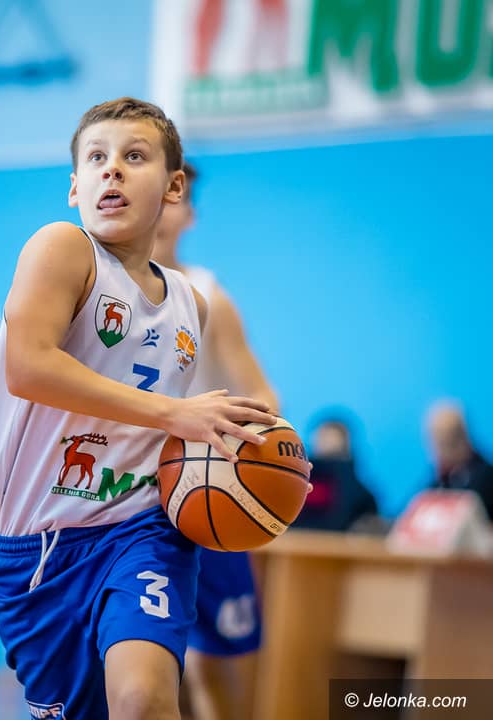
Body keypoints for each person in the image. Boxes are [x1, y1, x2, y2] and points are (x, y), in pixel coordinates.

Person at [0, 98, 276, 720]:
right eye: (97, 158)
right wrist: (173, 413)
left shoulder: (193, 302)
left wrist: (260, 455)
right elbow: (28, 368)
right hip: (38, 546)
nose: (111, 169)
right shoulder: (61, 248)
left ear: (174, 187)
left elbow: (148, 411)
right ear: (74, 188)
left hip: (141, 527)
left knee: (143, 701)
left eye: (133, 156)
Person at [150, 162, 276, 720]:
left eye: (175, 196)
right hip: (127, 498)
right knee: (143, 668)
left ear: (190, 214)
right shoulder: (100, 288)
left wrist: (238, 430)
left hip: (202, 495)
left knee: (210, 668)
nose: (161, 206)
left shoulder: (208, 295)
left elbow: (264, 396)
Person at [294, 414, 380, 533]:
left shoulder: (358, 492)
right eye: (322, 437)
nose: (324, 441)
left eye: (329, 437)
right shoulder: (300, 476)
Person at [425, 400, 493, 519]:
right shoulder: (436, 484)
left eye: (448, 441)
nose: (440, 451)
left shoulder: (486, 476)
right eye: (438, 443)